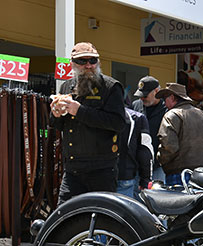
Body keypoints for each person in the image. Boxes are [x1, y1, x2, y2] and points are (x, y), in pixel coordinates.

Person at [50, 42, 128, 206]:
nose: (88, 65)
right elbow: (57, 125)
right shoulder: (67, 86)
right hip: (73, 169)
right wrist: (55, 114)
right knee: (64, 216)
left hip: (101, 169)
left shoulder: (111, 87)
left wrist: (80, 111)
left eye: (92, 61)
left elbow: (118, 123)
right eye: (82, 61)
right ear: (73, 64)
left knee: (101, 219)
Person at [156, 83, 203, 186]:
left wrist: (160, 159)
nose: (164, 103)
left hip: (178, 173)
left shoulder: (172, 115)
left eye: (165, 99)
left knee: (179, 201)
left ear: (172, 97)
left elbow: (169, 147)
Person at [132, 76, 167, 182]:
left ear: (156, 91)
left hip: (158, 165)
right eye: (140, 95)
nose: (142, 98)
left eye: (145, 96)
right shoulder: (135, 105)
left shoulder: (167, 109)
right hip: (137, 164)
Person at [116, 107, 153, 199]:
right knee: (123, 211)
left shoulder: (93, 114)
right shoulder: (136, 117)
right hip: (125, 175)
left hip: (96, 176)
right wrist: (145, 179)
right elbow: (144, 151)